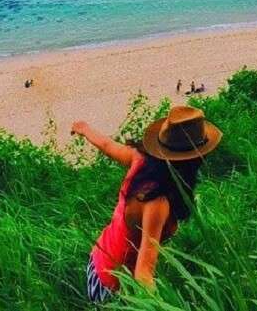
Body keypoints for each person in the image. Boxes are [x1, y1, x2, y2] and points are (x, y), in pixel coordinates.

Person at [72, 106, 222, 303]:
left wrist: (85, 128)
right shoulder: (157, 203)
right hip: (112, 284)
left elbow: (108, 145)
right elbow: (143, 274)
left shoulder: (140, 159)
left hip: (99, 257)